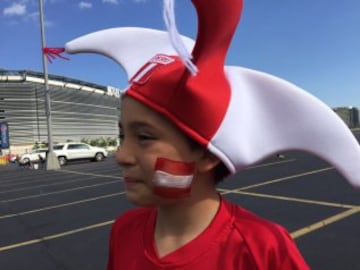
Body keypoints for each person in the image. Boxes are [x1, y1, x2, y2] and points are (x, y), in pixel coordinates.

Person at [64, 0, 360, 269]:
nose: (121, 155)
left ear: (206, 153)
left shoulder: (262, 249)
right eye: (121, 136)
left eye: (144, 137)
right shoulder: (124, 230)